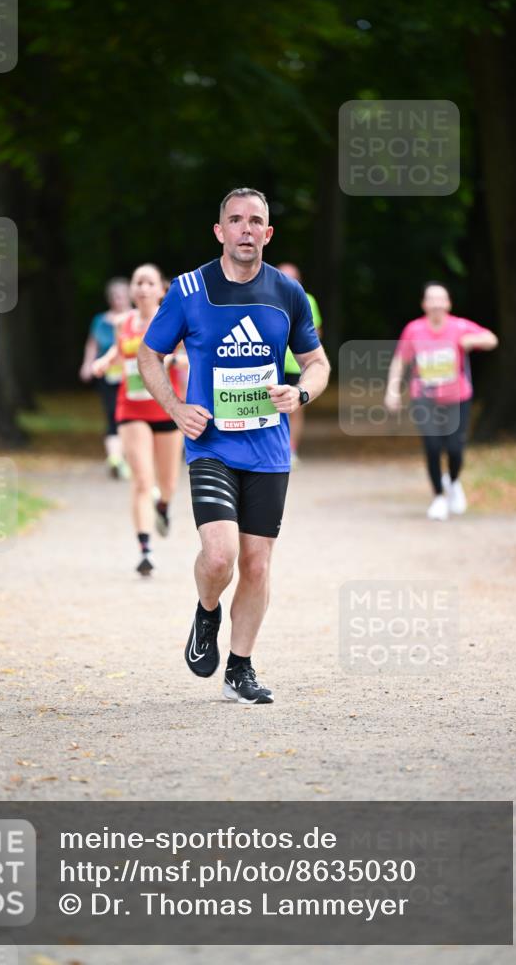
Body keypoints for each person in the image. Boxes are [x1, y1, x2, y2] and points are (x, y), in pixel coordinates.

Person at [138, 188, 330, 704]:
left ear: (268, 234)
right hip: (211, 445)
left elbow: (318, 362)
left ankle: (239, 668)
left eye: (256, 222)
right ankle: (206, 610)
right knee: (220, 557)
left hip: (269, 449)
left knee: (258, 564)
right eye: (235, 220)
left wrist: (301, 391)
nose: (246, 229)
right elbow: (149, 355)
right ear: (219, 231)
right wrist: (177, 409)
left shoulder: (287, 292)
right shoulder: (188, 289)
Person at [93, 264, 185, 576]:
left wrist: (173, 358)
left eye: (149, 283)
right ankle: (145, 549)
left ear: (161, 289)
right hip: (131, 409)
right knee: (143, 480)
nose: (143, 288)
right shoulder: (124, 322)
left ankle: (163, 506)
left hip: (167, 408)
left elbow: (190, 354)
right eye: (138, 282)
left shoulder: (174, 320)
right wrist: (103, 362)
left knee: (168, 483)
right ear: (132, 290)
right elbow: (120, 353)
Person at [385, 282, 498, 520]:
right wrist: (393, 390)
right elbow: (400, 361)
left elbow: (491, 339)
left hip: (458, 397)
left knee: (455, 449)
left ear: (448, 303)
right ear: (424, 304)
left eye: (441, 299)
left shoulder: (459, 326)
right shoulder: (414, 330)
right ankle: (438, 497)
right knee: (433, 446)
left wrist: (472, 342)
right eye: (431, 300)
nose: (436, 304)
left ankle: (454, 481)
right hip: (425, 397)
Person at [79, 277, 132, 478]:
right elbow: (92, 345)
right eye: (114, 296)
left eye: (122, 296)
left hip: (132, 374)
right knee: (112, 414)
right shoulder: (100, 320)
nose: (118, 300)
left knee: (129, 416)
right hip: (107, 374)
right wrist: (87, 365)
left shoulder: (136, 318)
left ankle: (127, 456)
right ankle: (115, 459)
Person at [278, 262, 323, 466]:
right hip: (273, 363)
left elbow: (316, 331)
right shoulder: (266, 297)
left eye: (292, 277)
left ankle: (292, 448)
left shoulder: (308, 300)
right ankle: (276, 447)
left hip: (296, 364)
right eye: (284, 276)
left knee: (295, 408)